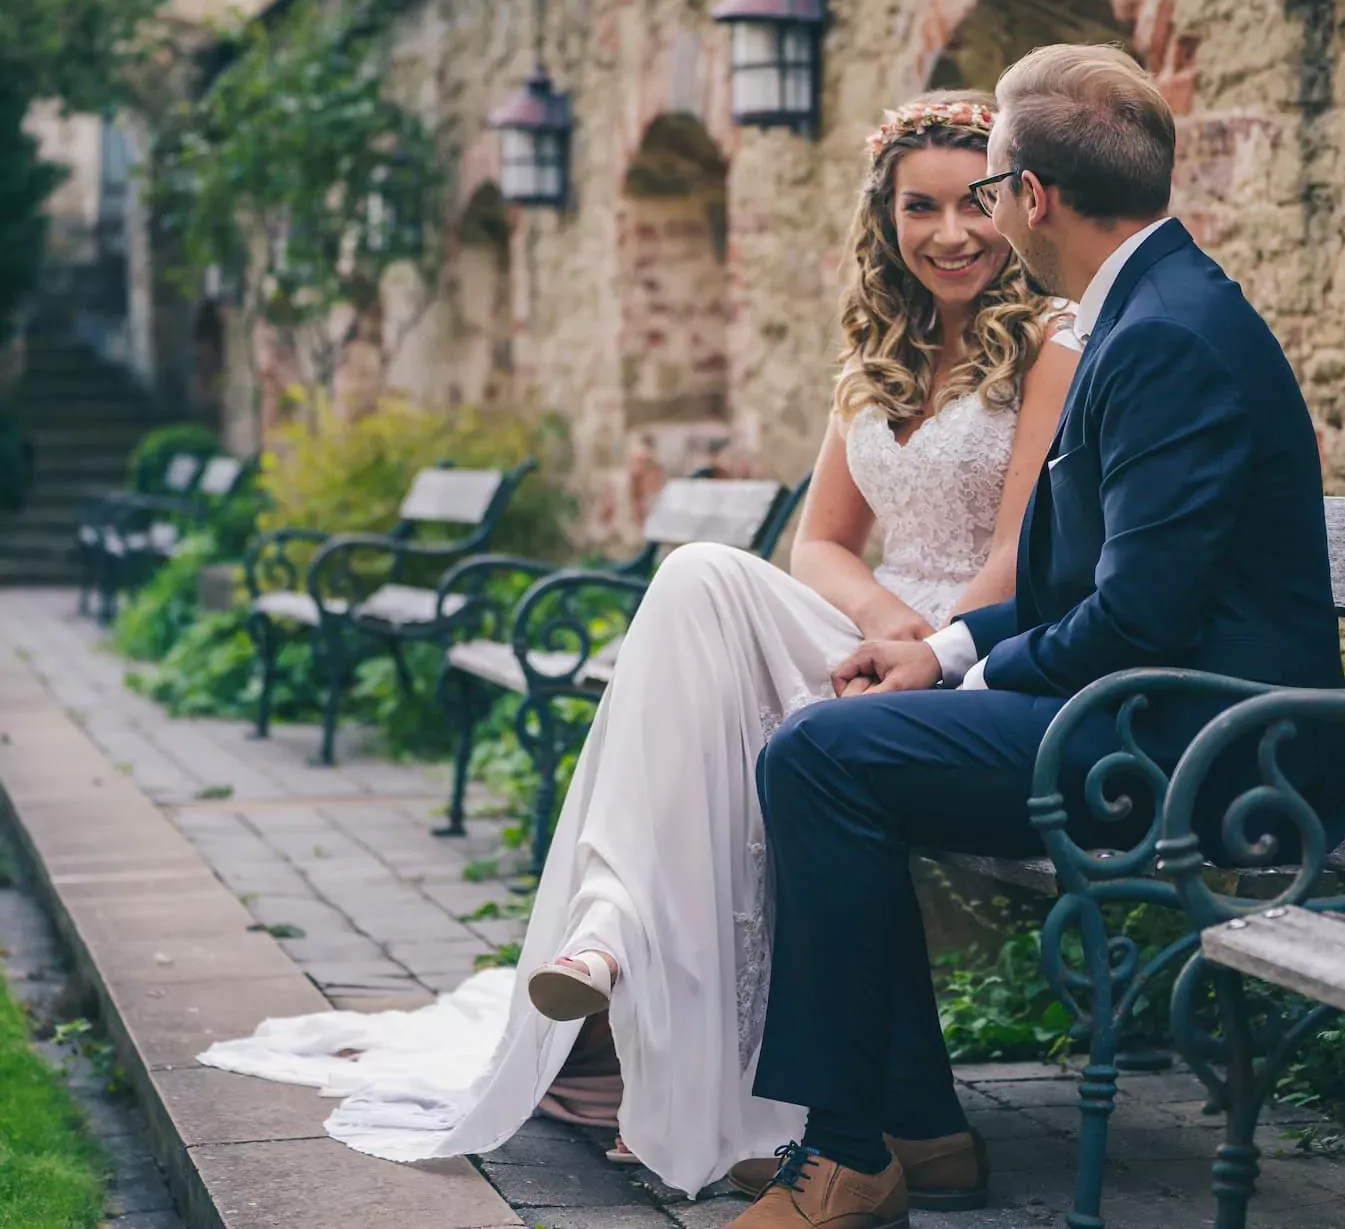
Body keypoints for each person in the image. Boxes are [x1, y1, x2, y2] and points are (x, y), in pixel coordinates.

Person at [197, 90, 1082, 1200]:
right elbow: (820, 543)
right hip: (874, 635)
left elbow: (1018, 554)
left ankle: (610, 939)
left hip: (973, 659)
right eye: (919, 207)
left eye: (972, 204)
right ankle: (616, 937)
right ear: (884, 219)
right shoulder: (879, 356)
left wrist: (935, 643)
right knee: (699, 575)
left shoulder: (1051, 349)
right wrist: (881, 622)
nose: (949, 233)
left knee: (709, 600)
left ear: (1013, 203)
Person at [723, 44, 1345, 1229]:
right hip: (1154, 713)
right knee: (839, 746)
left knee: (819, 756)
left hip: (1210, 754)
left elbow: (1133, 617)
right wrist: (940, 655)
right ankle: (910, 1130)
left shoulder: (1162, 338)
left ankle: (843, 1150)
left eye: (986, 189)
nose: (978, 214)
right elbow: (1077, 578)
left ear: (1029, 195)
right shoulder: (1143, 309)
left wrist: (974, 666)